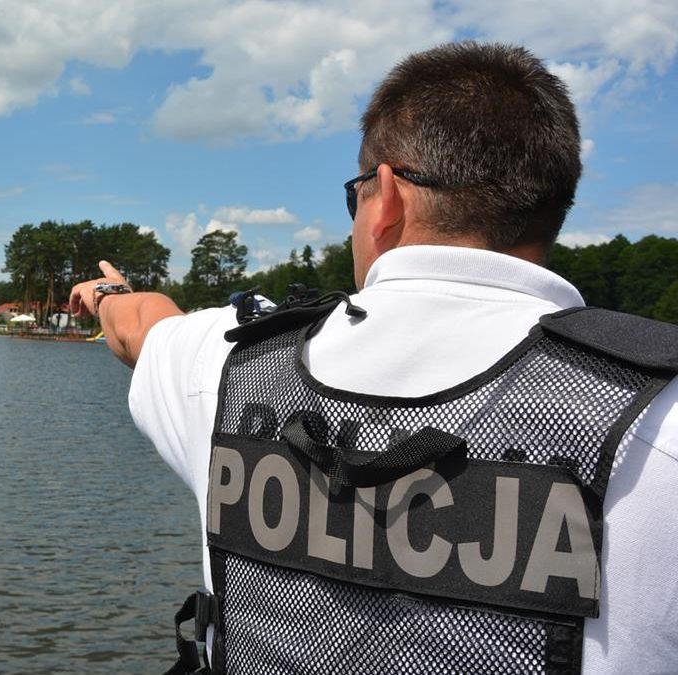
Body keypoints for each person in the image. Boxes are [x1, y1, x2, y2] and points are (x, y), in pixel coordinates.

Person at [69, 41, 678, 674]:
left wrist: (108, 293)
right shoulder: (657, 419)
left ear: (385, 197)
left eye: (355, 195)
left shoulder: (230, 368)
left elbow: (137, 326)